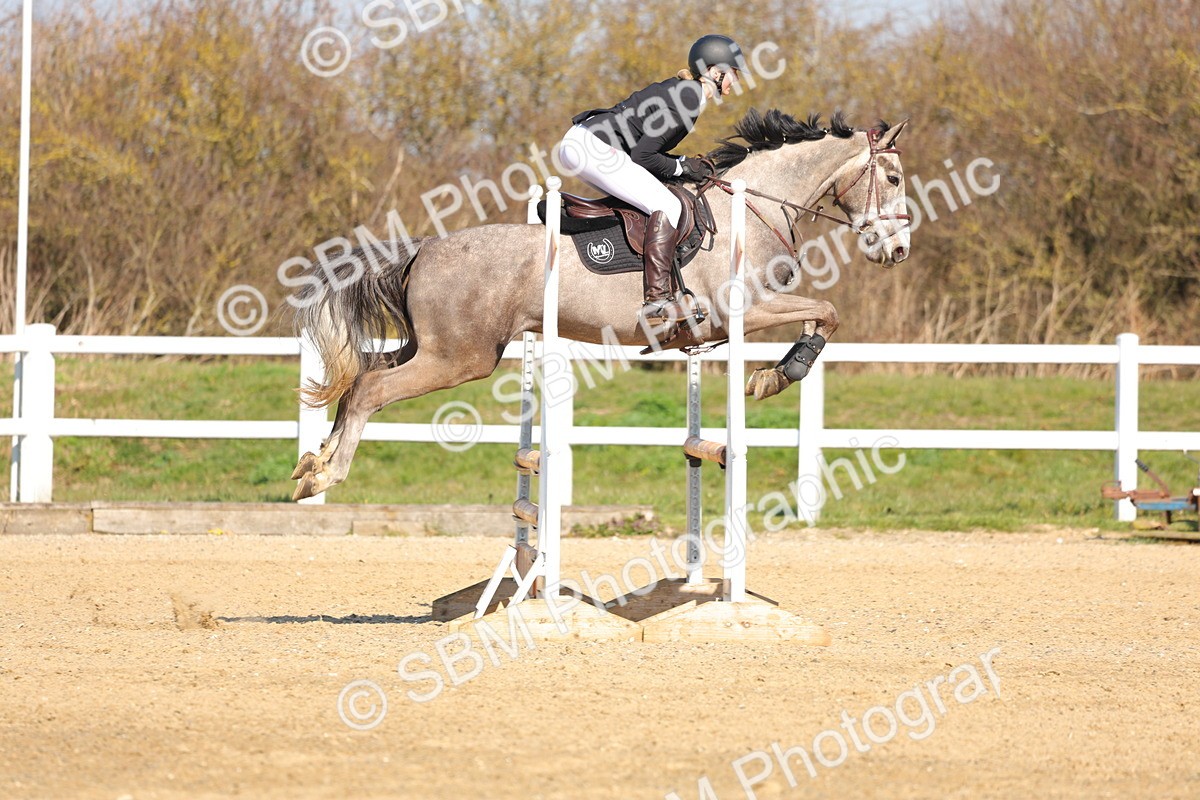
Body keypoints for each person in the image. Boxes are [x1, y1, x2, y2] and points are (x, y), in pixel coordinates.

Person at [556, 34, 745, 326]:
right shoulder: (690, 97)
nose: (737, 81)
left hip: (584, 143)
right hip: (594, 147)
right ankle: (657, 303)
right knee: (668, 206)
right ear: (715, 72)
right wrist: (683, 167)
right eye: (734, 73)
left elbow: (645, 152)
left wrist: (682, 164)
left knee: (647, 200)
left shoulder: (684, 91)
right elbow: (643, 157)